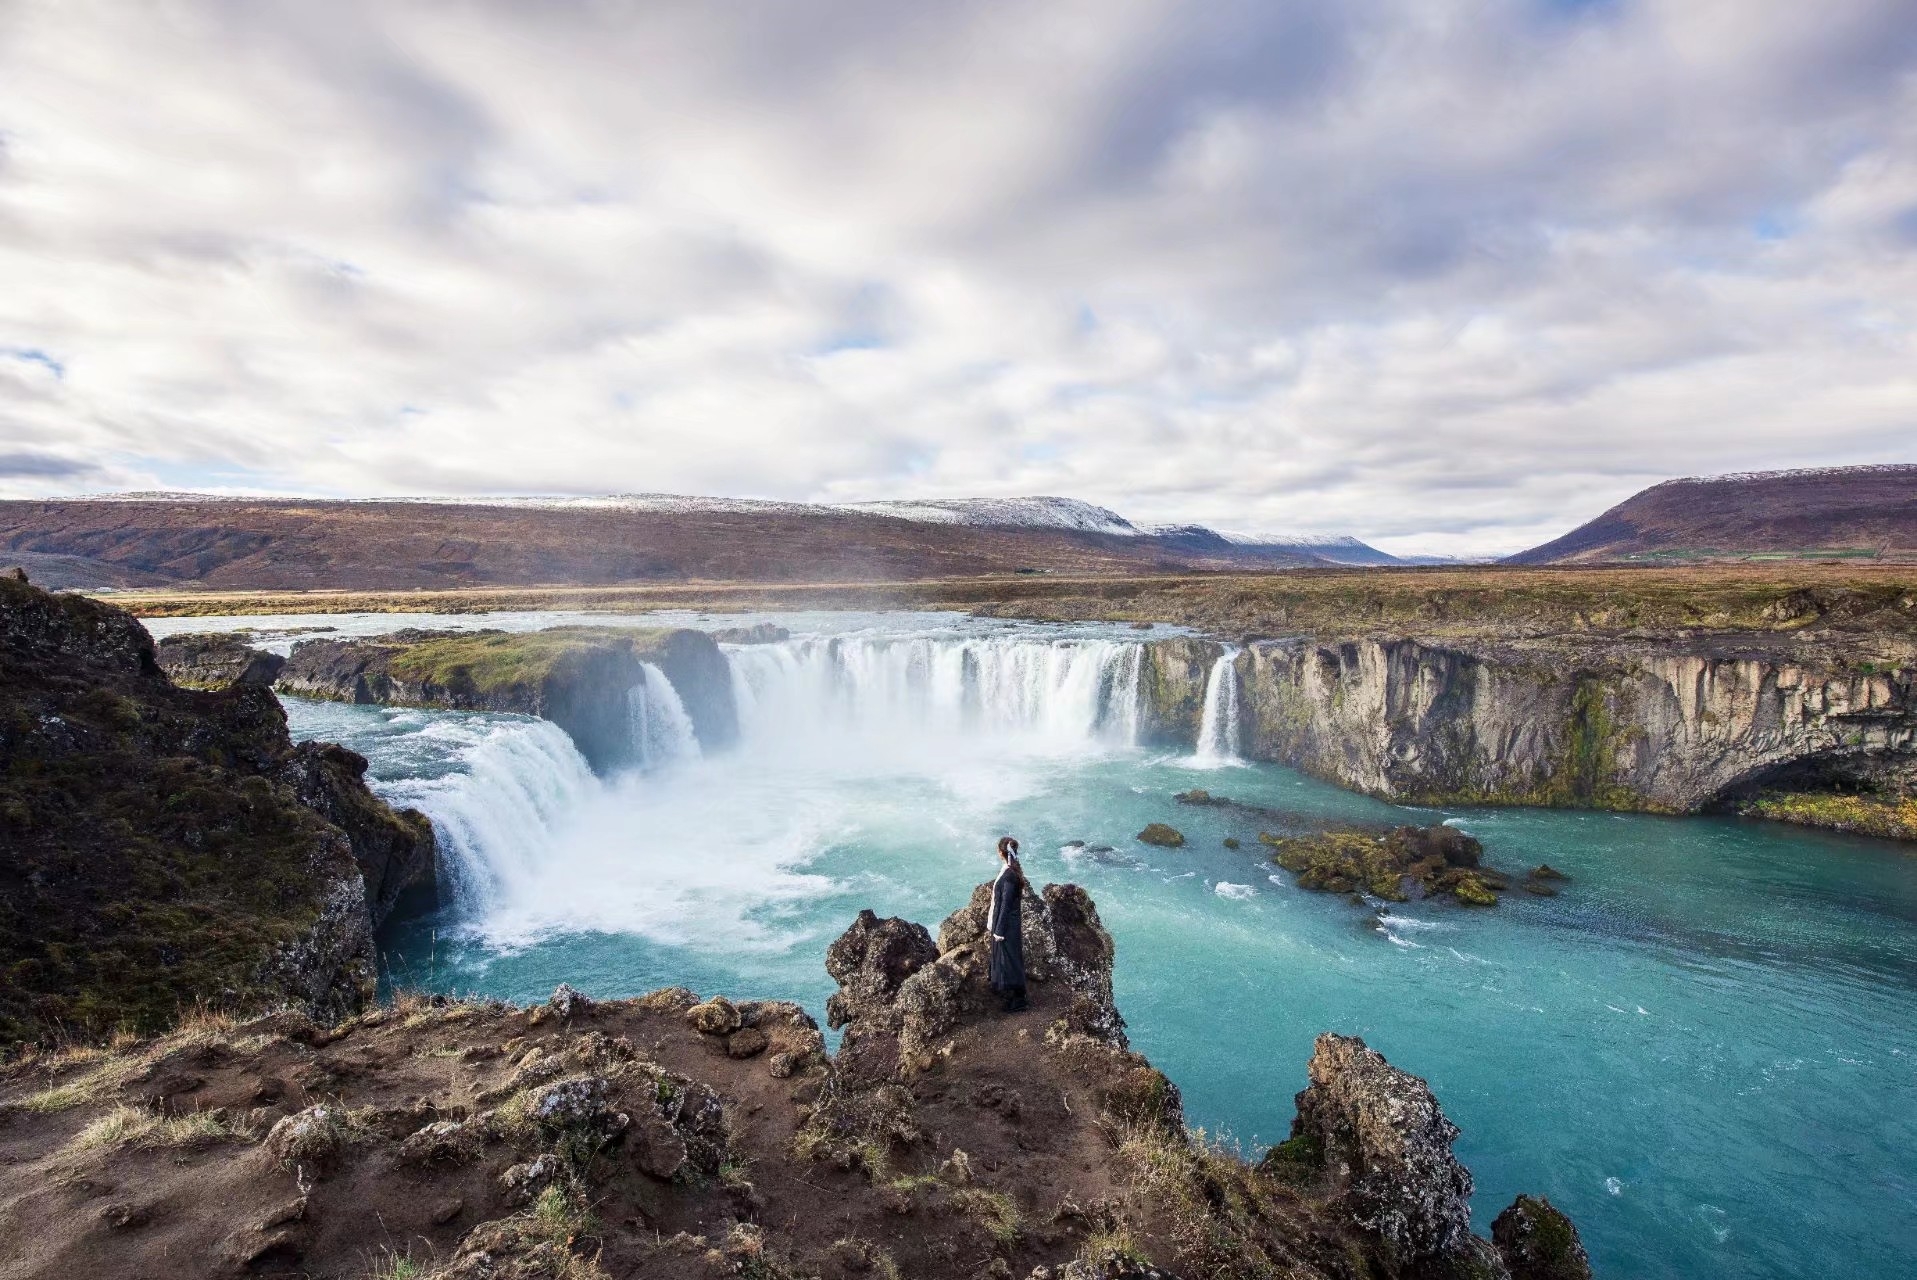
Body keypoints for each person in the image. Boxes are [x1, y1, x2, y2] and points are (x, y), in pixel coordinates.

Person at [986, 836, 1028, 1012]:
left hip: (1007, 926)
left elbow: (1006, 904)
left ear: (1000, 852)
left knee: (1011, 960)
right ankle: (1014, 995)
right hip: (1006, 924)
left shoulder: (1009, 875)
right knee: (1008, 958)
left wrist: (1000, 930)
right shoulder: (1010, 871)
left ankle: (1020, 999)